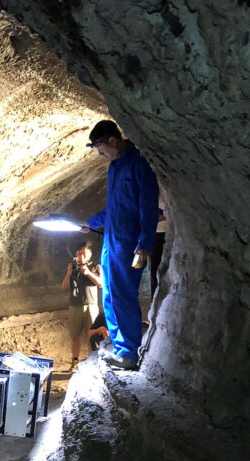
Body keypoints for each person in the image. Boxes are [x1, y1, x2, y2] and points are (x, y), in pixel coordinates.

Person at [83, 120, 159, 370]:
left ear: (113, 141)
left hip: (128, 244)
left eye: (101, 149)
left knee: (123, 294)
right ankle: (119, 347)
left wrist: (145, 242)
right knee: (110, 295)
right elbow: (114, 208)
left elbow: (148, 206)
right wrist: (89, 222)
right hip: (110, 242)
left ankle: (128, 353)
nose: (101, 155)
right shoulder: (114, 168)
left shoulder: (139, 164)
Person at [61, 241, 103, 370]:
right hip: (75, 306)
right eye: (79, 253)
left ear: (90, 254)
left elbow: (101, 283)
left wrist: (88, 273)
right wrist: (69, 272)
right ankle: (75, 361)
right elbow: (64, 287)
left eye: (84, 254)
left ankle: (92, 362)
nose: (81, 256)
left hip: (91, 306)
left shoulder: (96, 267)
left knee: (91, 334)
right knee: (75, 335)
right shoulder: (72, 268)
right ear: (76, 254)